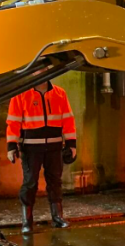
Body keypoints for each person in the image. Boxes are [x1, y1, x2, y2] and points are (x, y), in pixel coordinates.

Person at [7, 81, 77, 234]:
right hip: (31, 148)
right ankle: (27, 222)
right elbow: (13, 122)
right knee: (30, 182)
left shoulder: (60, 93)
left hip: (54, 147)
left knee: (55, 181)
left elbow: (68, 119)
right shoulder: (21, 94)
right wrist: (12, 145)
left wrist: (71, 144)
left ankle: (58, 218)